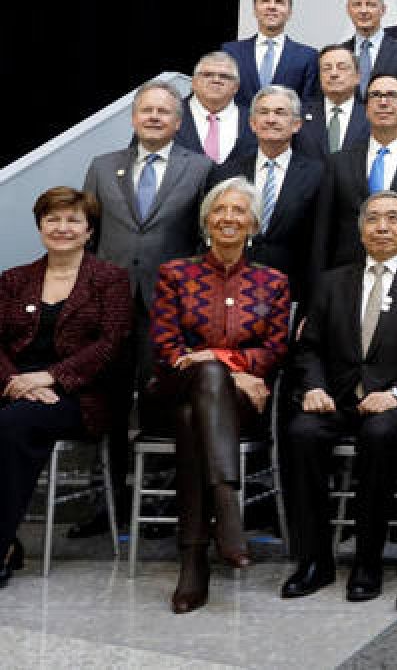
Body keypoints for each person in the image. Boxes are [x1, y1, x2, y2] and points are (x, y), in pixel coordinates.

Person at [281, 191, 397, 602]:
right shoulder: (331, 281)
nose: (382, 227)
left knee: (378, 434)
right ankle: (314, 560)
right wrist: (315, 387)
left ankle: (367, 561)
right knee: (301, 433)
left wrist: (395, 393)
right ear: (360, 231)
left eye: (393, 219)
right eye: (373, 219)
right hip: (337, 399)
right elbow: (308, 347)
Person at [147, 178, 290, 612]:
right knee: (203, 376)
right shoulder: (176, 274)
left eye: (239, 211)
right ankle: (228, 506)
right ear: (207, 220)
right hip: (172, 391)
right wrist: (232, 368)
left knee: (198, 415)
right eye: (220, 210)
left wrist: (217, 363)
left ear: (253, 223)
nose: (229, 218)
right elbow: (168, 349)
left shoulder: (273, 282)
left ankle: (193, 560)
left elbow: (276, 349)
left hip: (233, 409)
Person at [81, 79, 211, 533]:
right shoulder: (102, 167)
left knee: (164, 401)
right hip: (111, 307)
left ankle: (161, 503)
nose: (154, 117)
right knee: (110, 403)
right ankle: (109, 502)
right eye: (146, 110)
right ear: (134, 117)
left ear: (178, 122)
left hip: (171, 308)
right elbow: (89, 237)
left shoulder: (199, 168)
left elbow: (202, 240)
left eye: (163, 111)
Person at [0, 188, 131, 587]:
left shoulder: (110, 280)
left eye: (73, 220)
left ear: (89, 231)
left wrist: (49, 377)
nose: (62, 228)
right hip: (14, 386)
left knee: (13, 424)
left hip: (81, 394)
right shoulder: (13, 279)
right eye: (53, 220)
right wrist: (13, 382)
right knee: (15, 417)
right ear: (40, 227)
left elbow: (111, 344)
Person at [314, 73, 397, 275]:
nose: (383, 102)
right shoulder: (338, 161)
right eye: (375, 95)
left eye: (392, 95)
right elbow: (323, 232)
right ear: (366, 109)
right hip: (348, 275)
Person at [206, 85, 324, 301]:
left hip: (291, 291)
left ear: (296, 124)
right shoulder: (226, 172)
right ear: (252, 123)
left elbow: (320, 244)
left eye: (280, 113)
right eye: (263, 112)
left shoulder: (319, 174)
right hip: (229, 288)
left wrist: (312, 304)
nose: (271, 119)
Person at [222, 0, 319, 106]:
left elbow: (309, 104)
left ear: (289, 13)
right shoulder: (231, 52)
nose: (272, 7)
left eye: (279, 2)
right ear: (255, 10)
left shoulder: (308, 56)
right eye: (265, 1)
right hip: (238, 125)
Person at [176, 52, 255, 165]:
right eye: (207, 75)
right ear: (193, 82)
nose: (216, 80)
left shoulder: (254, 120)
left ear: (236, 87)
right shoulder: (170, 114)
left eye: (225, 76)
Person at [295, 45, 369, 159]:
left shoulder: (371, 116)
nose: (334, 74)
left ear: (358, 77)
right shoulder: (299, 115)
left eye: (342, 67)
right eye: (327, 68)